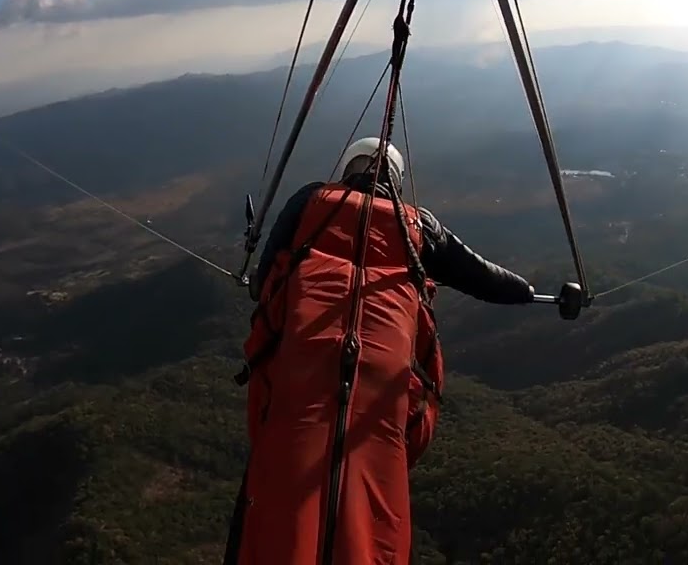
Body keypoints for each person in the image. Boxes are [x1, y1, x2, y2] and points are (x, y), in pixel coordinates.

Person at [226, 136, 534, 565]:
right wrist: (531, 293)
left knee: (277, 512)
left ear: (349, 167)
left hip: (298, 386)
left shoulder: (312, 200)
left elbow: (265, 282)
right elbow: (483, 276)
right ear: (396, 180)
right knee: (371, 524)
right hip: (381, 403)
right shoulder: (418, 226)